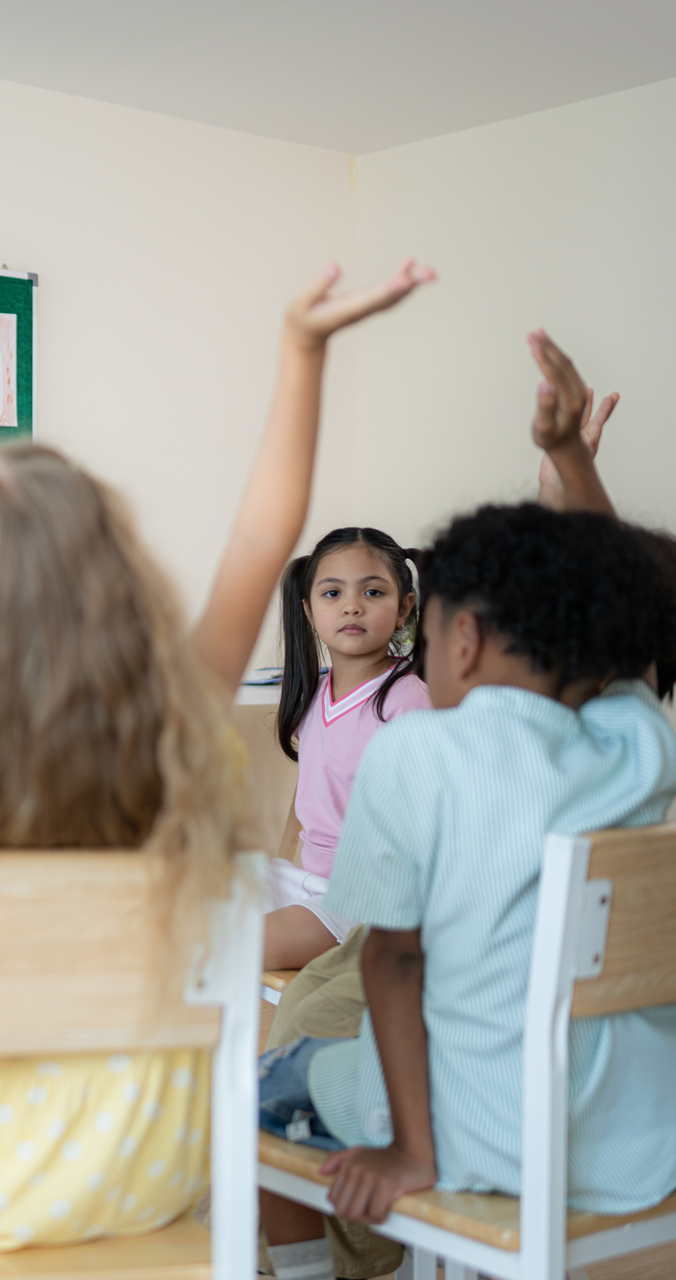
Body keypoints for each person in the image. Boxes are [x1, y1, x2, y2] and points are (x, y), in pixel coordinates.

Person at [0, 260, 435, 1277]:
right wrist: (301, 349)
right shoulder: (174, 733)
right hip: (149, 1170)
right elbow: (260, 537)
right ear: (117, 582)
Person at [256, 337, 676, 1280]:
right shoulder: (637, 740)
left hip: (488, 1132)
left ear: (467, 638)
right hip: (640, 1138)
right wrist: (572, 461)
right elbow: (634, 624)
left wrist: (412, 1147)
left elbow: (395, 966)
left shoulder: (418, 750)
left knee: (261, 1090)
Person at [266, 528, 430, 970]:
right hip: (311, 883)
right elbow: (312, 799)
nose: (351, 606)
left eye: (373, 592)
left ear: (404, 609)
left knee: (239, 942)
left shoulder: (407, 700)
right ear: (309, 611)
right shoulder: (315, 693)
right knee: (190, 906)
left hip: (366, 902)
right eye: (332, 593)